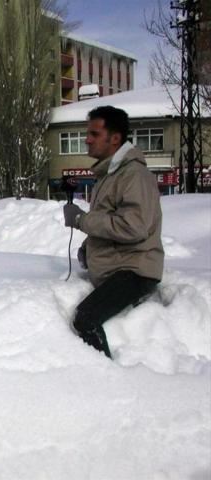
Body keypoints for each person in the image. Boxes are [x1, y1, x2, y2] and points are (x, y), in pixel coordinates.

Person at [63, 106, 164, 358]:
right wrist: (90, 248)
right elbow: (112, 222)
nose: (86, 139)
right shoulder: (109, 175)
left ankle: (109, 383)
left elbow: (134, 226)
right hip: (120, 268)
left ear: (115, 138)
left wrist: (82, 220)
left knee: (85, 318)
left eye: (94, 134)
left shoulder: (134, 175)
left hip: (135, 272)